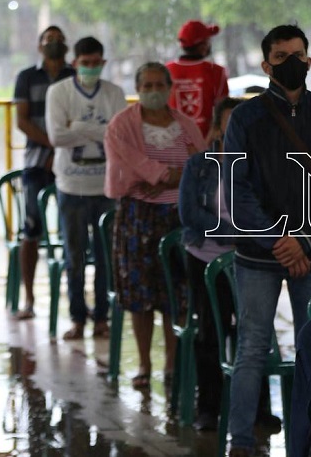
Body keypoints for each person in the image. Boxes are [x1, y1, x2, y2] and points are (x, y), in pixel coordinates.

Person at [223, 24, 311, 456]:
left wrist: (305, 240)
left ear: (309, 60)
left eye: (297, 54)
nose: (291, 62)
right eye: (280, 57)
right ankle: (240, 441)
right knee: (253, 346)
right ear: (266, 65)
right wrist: (279, 238)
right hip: (258, 254)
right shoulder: (245, 118)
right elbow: (235, 190)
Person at [178, 97, 280, 432]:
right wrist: (234, 232)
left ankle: (257, 410)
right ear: (219, 127)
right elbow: (190, 215)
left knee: (254, 333)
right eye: (230, 121)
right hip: (207, 259)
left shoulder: (263, 166)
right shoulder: (200, 165)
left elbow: (273, 212)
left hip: (250, 259)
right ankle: (208, 407)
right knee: (211, 331)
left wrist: (248, 235)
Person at [104, 62, 205, 390]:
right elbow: (131, 168)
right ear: (138, 88)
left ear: (169, 86)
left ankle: (173, 363)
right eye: (145, 85)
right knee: (141, 293)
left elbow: (202, 166)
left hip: (180, 218)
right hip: (138, 219)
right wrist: (170, 175)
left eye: (158, 84)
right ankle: (145, 364)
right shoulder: (122, 125)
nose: (152, 91)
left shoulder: (186, 124)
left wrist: (168, 178)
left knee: (176, 292)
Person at [45, 36, 126, 340]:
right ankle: (78, 318)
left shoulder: (114, 93)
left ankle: (102, 318)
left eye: (96, 63)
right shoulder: (59, 92)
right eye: (85, 63)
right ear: (75, 63)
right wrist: (99, 133)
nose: (91, 68)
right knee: (74, 257)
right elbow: (56, 137)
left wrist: (77, 127)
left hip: (106, 188)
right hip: (71, 185)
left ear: (103, 63)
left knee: (106, 257)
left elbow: (118, 136)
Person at [12, 25, 75, 319]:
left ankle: (76, 301)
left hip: (70, 163)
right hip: (37, 162)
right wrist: (52, 146)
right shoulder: (26, 77)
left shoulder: (74, 76)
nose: (54, 43)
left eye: (59, 39)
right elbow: (22, 121)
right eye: (49, 39)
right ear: (39, 46)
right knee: (31, 228)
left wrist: (61, 150)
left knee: (73, 228)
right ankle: (29, 298)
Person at [167, 20, 229, 139]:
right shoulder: (217, 72)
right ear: (203, 45)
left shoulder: (166, 70)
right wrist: (205, 146)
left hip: (172, 145)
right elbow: (223, 114)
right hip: (208, 144)